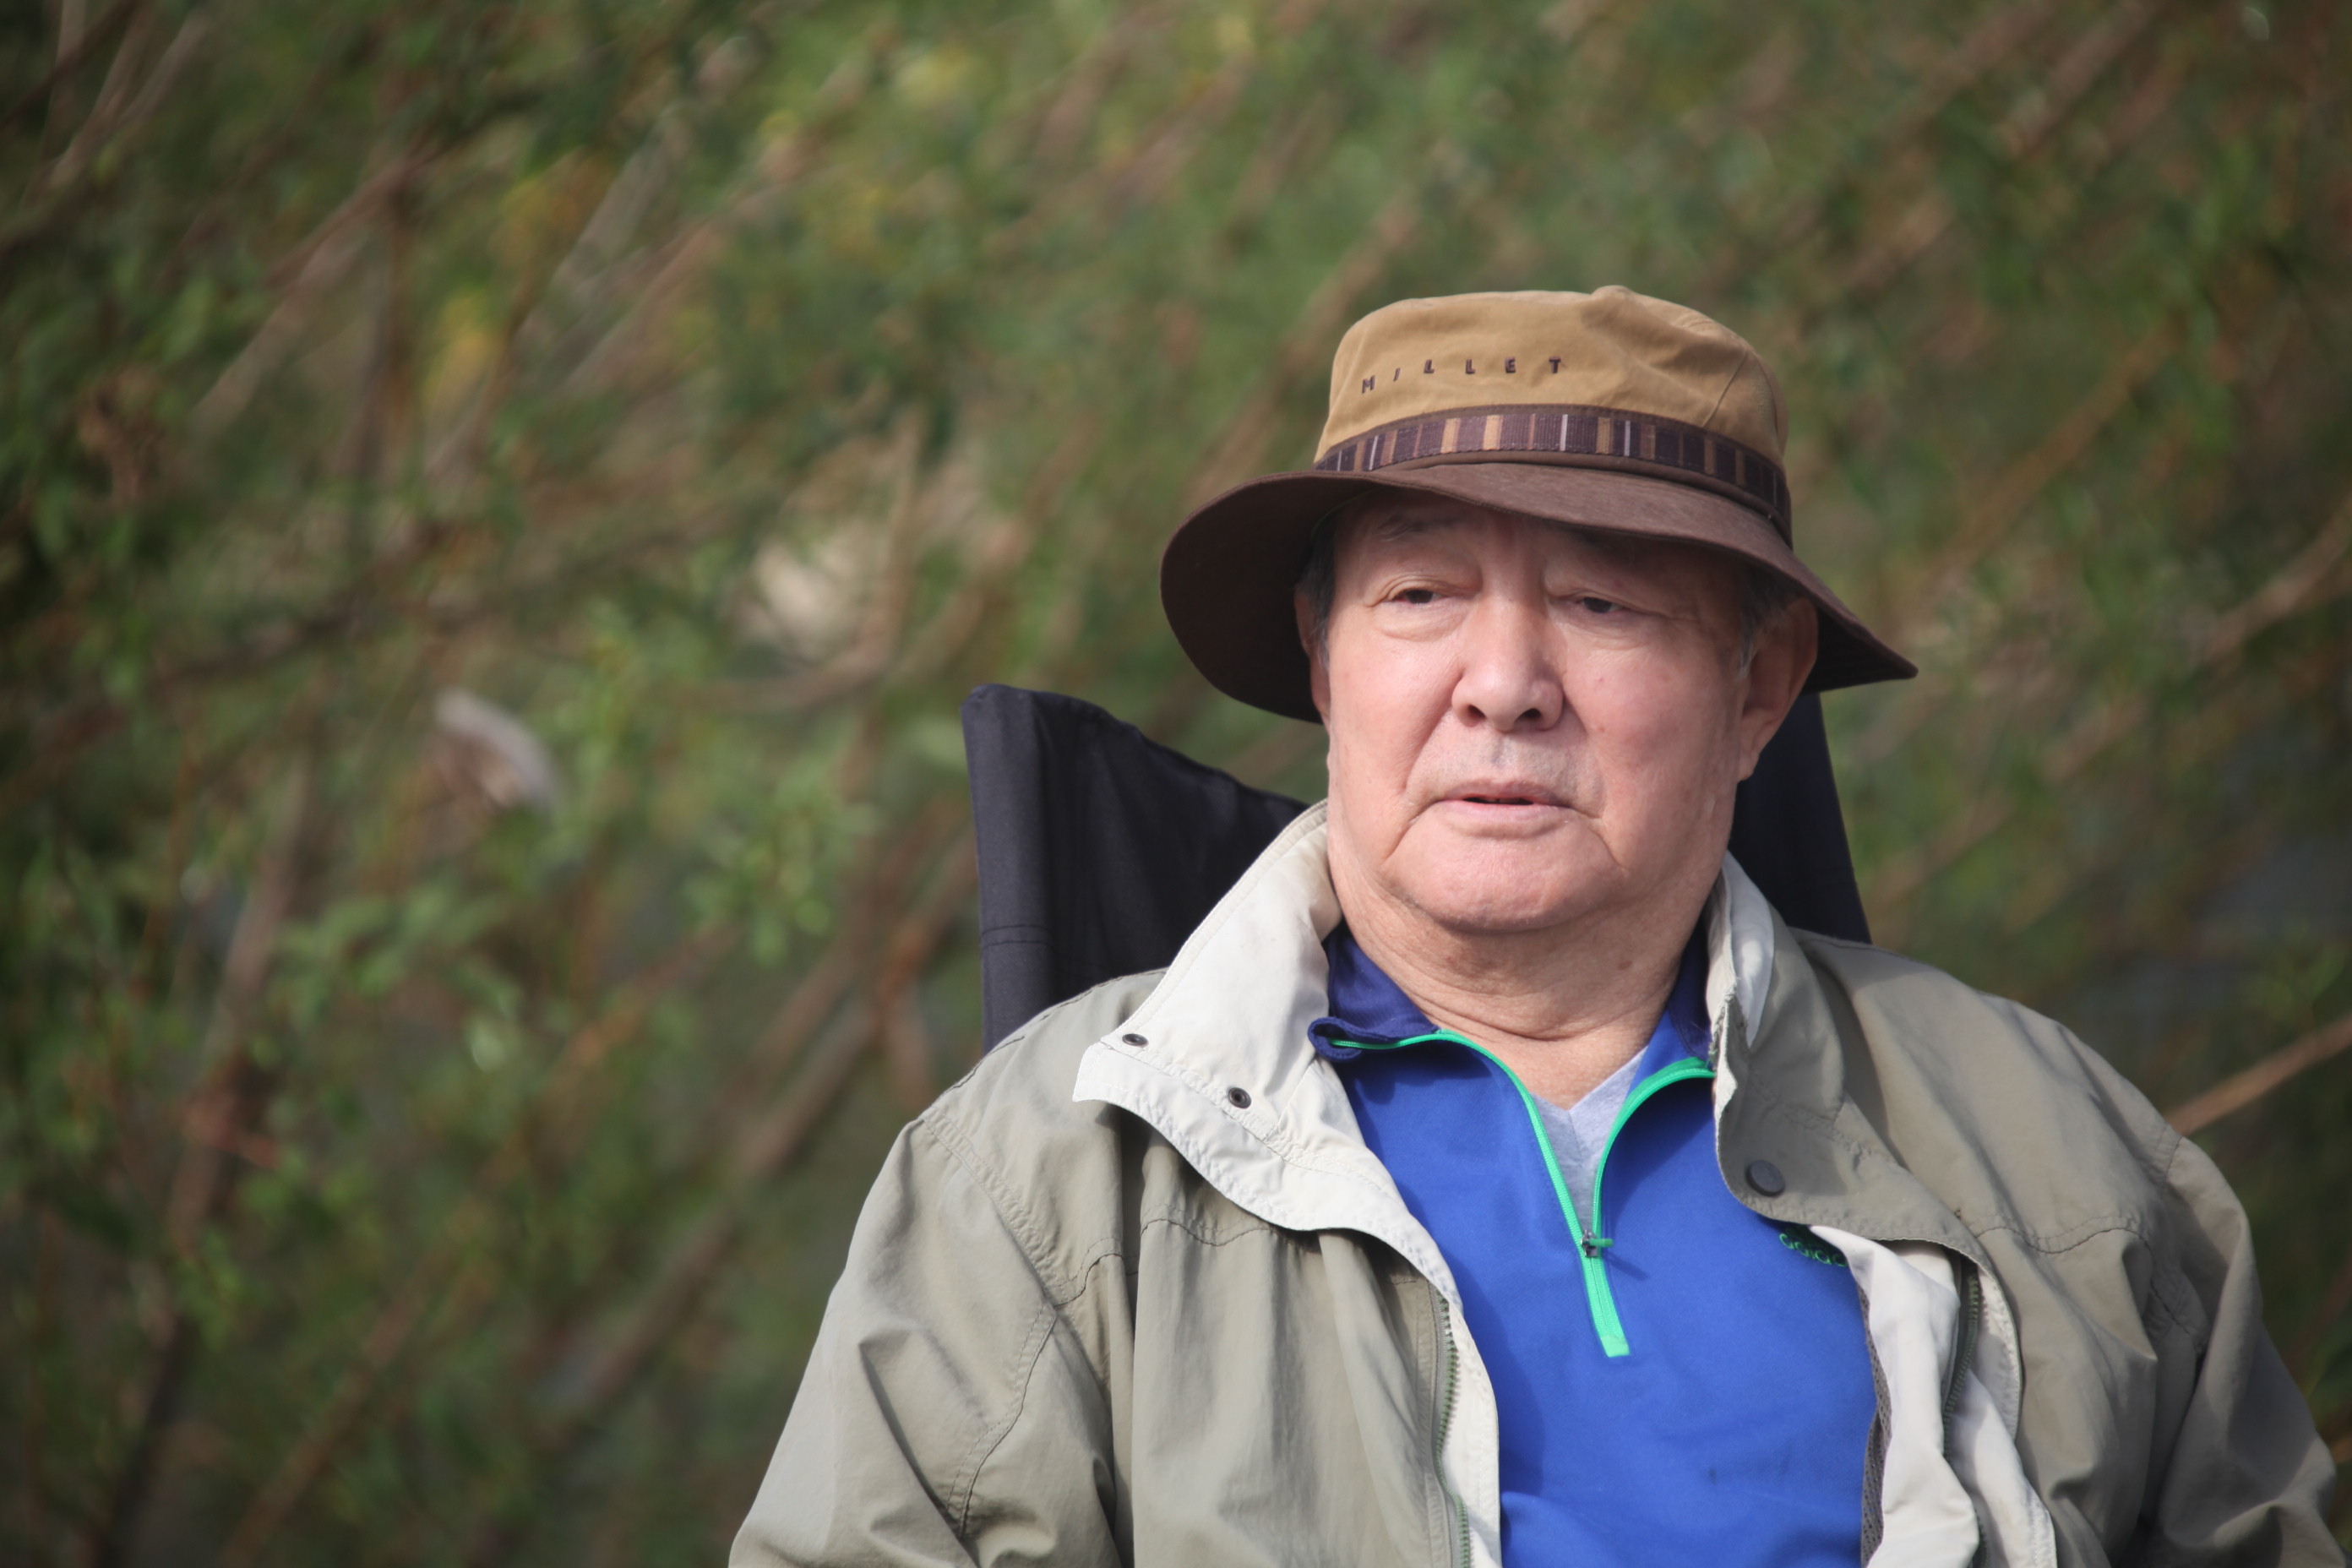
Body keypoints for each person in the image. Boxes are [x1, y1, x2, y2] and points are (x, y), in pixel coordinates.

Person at [732, 288, 2338, 1567]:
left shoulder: (2057, 1162)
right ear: (1324, 661)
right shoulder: (1041, 1175)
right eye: (1420, 595)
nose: (1501, 685)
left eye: (1601, 603)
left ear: (1759, 688)